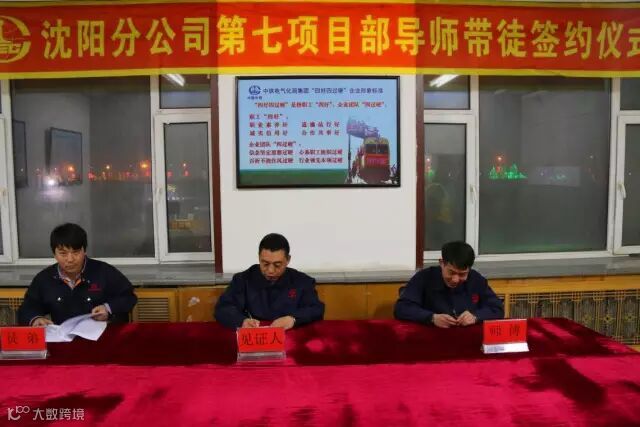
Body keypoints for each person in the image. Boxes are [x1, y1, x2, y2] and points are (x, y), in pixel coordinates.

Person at [17, 223, 137, 326]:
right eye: (63, 253)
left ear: (84, 251)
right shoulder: (44, 278)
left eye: (75, 252)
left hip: (100, 338)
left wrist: (108, 308)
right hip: (63, 339)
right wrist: (36, 319)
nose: (70, 259)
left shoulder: (104, 271)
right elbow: (28, 307)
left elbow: (128, 296)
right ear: (54, 254)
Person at [215, 233, 324, 330]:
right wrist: (241, 321)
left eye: (277, 265)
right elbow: (223, 308)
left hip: (289, 338)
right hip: (255, 337)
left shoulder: (302, 281)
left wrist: (293, 319)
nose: (271, 271)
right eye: (265, 264)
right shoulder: (243, 280)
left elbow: (316, 309)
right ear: (259, 258)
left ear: (288, 260)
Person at [394, 241, 503, 327]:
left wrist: (475, 316)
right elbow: (402, 308)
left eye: (462, 274)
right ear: (442, 263)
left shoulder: (476, 280)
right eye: (451, 272)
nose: (455, 279)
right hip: (432, 339)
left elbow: (497, 309)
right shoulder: (424, 277)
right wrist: (432, 318)